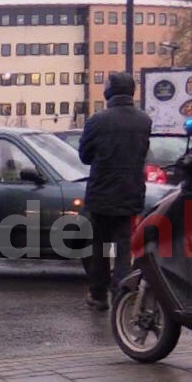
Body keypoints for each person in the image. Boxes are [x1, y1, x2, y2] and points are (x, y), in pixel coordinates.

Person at [78, 72, 151, 311]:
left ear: (109, 92)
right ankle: (123, 292)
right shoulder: (143, 121)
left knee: (97, 246)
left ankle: (98, 294)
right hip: (131, 191)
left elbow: (85, 156)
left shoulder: (97, 121)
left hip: (101, 193)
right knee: (123, 245)